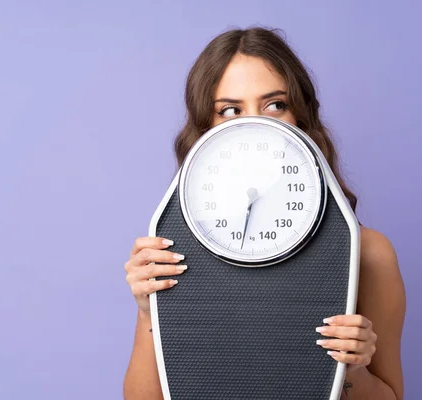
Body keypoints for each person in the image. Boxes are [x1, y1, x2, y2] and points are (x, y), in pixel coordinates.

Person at [123, 27, 406, 400]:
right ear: (205, 130)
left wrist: (351, 371)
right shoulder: (170, 252)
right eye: (230, 110)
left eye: (275, 105)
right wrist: (149, 312)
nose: (255, 125)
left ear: (302, 117)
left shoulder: (365, 252)